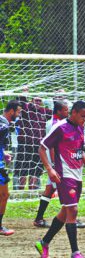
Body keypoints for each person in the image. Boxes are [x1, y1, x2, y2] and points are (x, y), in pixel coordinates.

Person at [35, 101, 85, 258]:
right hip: (64, 175)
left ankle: (44, 243)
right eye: (83, 116)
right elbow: (42, 147)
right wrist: (50, 169)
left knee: (65, 212)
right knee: (73, 210)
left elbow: (79, 151)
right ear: (73, 113)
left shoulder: (80, 128)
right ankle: (75, 252)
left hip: (77, 175)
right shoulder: (60, 127)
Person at [33, 101, 85, 229]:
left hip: (62, 164)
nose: (66, 112)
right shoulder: (56, 125)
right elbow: (50, 146)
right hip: (58, 164)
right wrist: (51, 166)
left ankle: (41, 221)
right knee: (66, 202)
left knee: (50, 189)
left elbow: (78, 148)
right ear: (58, 111)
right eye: (65, 110)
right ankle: (72, 218)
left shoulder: (76, 125)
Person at [14, 96, 52, 189]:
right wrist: (24, 93)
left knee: (35, 171)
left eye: (40, 100)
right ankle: (20, 192)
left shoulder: (44, 111)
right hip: (25, 145)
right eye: (36, 100)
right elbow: (21, 101)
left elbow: (58, 112)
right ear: (32, 101)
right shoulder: (26, 109)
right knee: (22, 170)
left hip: (38, 146)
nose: (38, 102)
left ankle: (32, 192)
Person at [0, 100, 22, 236]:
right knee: (4, 195)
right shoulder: (3, 125)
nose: (19, 115)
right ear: (11, 111)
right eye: (18, 112)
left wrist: (3, 153)